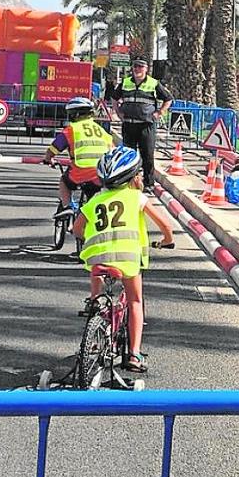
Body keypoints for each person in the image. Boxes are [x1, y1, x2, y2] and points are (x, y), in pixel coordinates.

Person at [73, 145, 175, 374]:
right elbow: (166, 226)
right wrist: (166, 241)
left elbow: (76, 229)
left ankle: (95, 304)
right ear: (133, 176)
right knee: (135, 301)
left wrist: (92, 237)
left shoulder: (94, 201)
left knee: (97, 287)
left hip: (97, 257)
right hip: (128, 259)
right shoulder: (137, 197)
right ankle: (135, 354)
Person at [42, 96, 116, 212]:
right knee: (94, 198)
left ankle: (68, 207)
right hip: (101, 175)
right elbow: (113, 151)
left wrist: (47, 159)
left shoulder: (72, 129)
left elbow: (53, 149)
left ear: (75, 115)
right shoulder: (102, 131)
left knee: (64, 182)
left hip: (80, 172)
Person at [111, 56, 172, 190]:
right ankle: (128, 181)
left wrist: (159, 112)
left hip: (146, 125)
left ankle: (149, 183)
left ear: (146, 69)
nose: (137, 69)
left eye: (140, 67)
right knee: (128, 154)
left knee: (147, 155)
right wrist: (118, 112)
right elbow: (114, 98)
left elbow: (168, 99)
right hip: (129, 125)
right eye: (135, 66)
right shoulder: (125, 82)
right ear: (132, 68)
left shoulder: (154, 83)